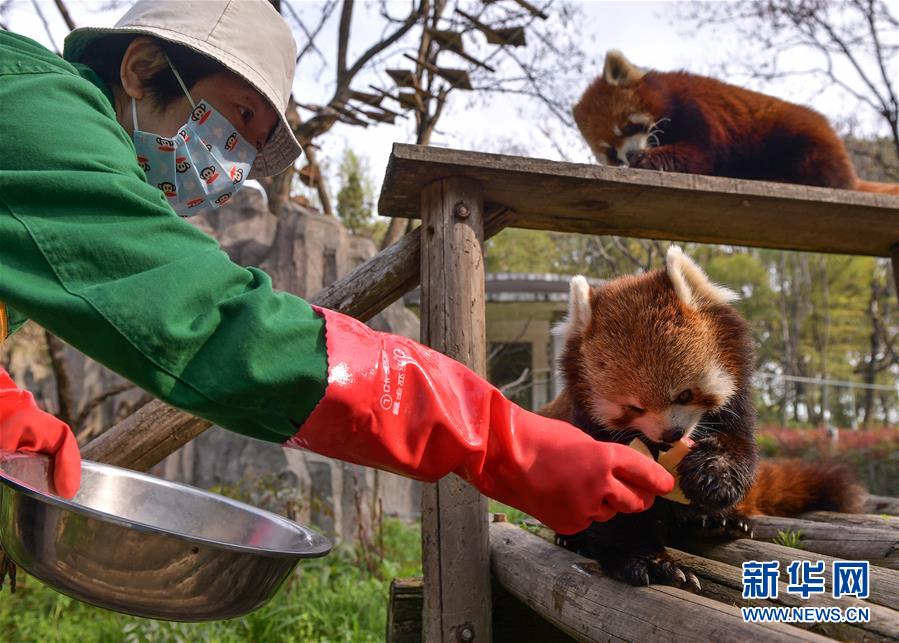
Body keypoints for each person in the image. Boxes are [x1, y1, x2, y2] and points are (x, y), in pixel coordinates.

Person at [0, 0, 673, 535]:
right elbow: (220, 325)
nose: (230, 165)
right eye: (237, 118)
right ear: (142, 68)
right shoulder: (37, 116)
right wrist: (498, 438)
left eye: (251, 146)